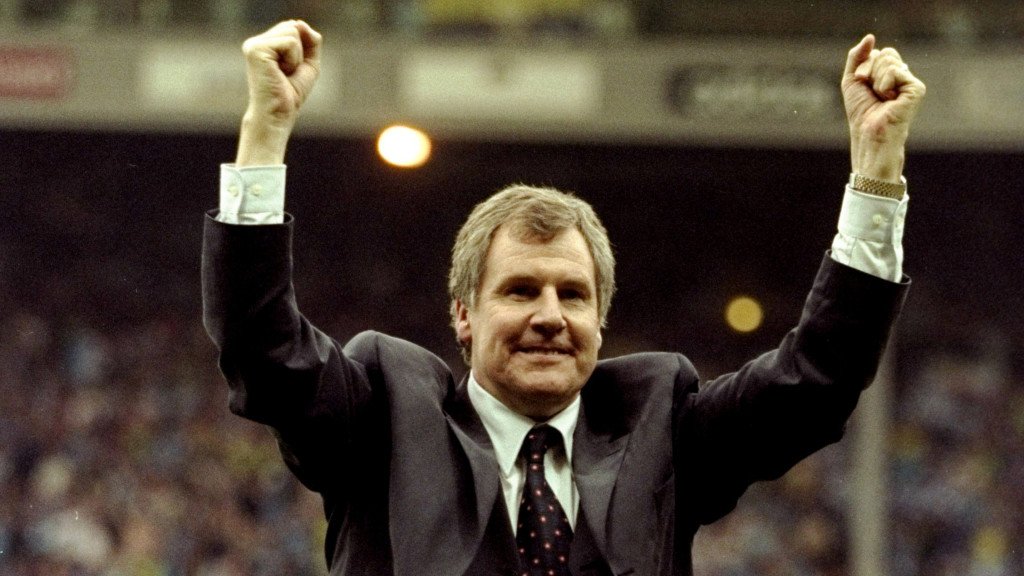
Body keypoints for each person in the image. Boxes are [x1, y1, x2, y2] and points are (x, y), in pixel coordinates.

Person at [202, 20, 925, 576]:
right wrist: (265, 130)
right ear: (463, 314)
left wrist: (876, 172)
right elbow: (264, 347)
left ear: (600, 320)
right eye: (520, 290)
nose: (549, 316)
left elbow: (816, 380)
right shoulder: (382, 415)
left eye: (573, 295)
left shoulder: (662, 427)